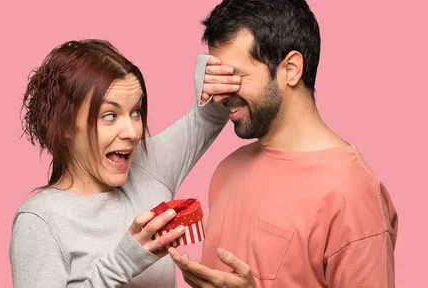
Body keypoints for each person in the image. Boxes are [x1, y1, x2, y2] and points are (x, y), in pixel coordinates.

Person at [169, 0, 399, 287]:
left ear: (290, 69)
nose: (220, 94)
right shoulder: (227, 170)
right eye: (217, 77)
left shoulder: (352, 193)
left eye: (235, 75)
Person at [9, 39, 241, 287]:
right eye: (110, 116)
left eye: (136, 112)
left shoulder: (149, 169)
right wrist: (124, 262)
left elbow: (207, 116)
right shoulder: (40, 220)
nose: (132, 132)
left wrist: (213, 74)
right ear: (65, 125)